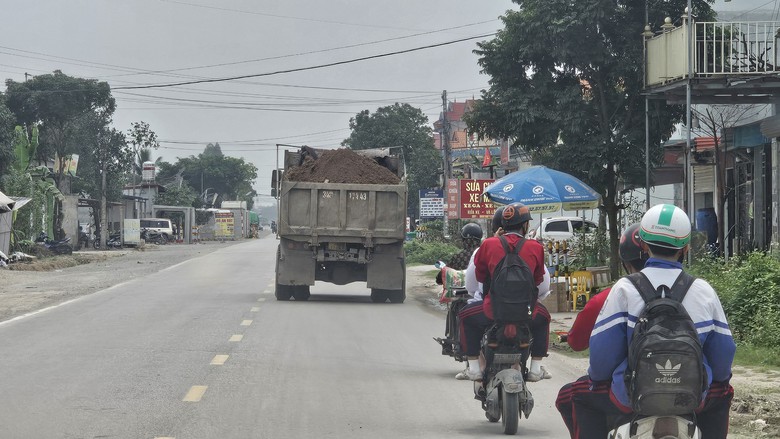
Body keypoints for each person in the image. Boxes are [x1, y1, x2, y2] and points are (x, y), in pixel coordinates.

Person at [568, 204, 736, 439]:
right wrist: (716, 381)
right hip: (692, 398)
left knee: (578, 395)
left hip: (630, 398)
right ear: (685, 248)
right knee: (723, 394)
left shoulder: (624, 289)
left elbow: (602, 357)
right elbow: (723, 357)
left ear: (644, 246)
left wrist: (598, 381)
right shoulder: (704, 291)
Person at [555, 223, 648, 435]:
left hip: (626, 392)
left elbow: (579, 345)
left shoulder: (611, 296)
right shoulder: (692, 292)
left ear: (624, 261)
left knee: (570, 395)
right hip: (688, 392)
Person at [458, 203, 551, 382]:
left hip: (492, 311)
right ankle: (535, 368)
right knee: (544, 318)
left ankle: (475, 368)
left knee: (465, 316)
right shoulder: (535, 247)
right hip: (527, 312)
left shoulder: (488, 244)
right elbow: (539, 280)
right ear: (525, 225)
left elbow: (479, 276)